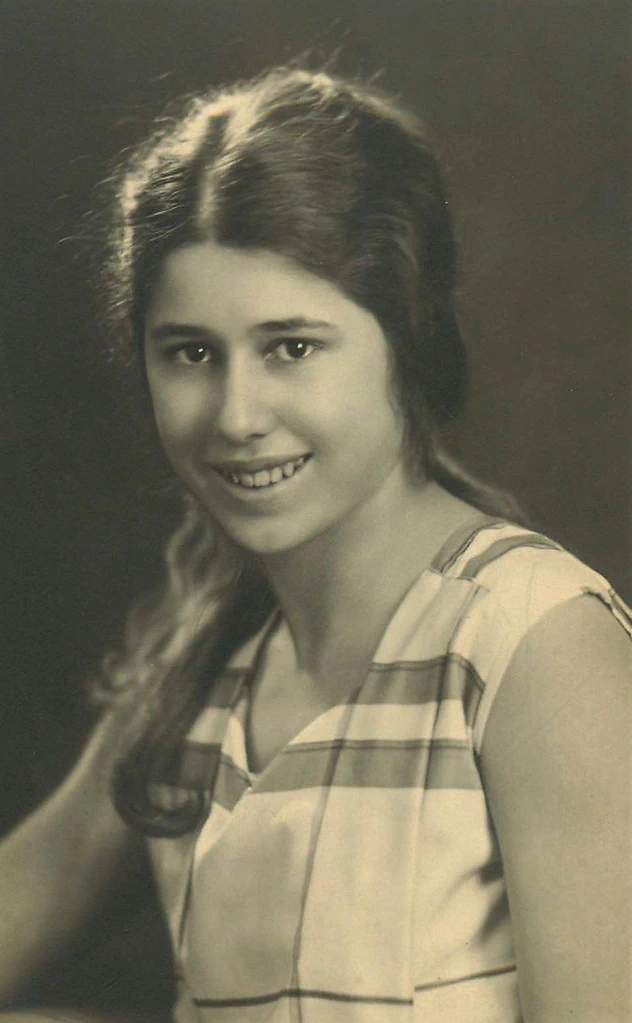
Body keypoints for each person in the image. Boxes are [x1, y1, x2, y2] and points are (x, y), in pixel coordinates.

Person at [0, 66, 630, 1023]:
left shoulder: (533, 644)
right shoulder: (200, 672)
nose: (237, 415)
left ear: (404, 338)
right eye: (191, 352)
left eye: (291, 347)